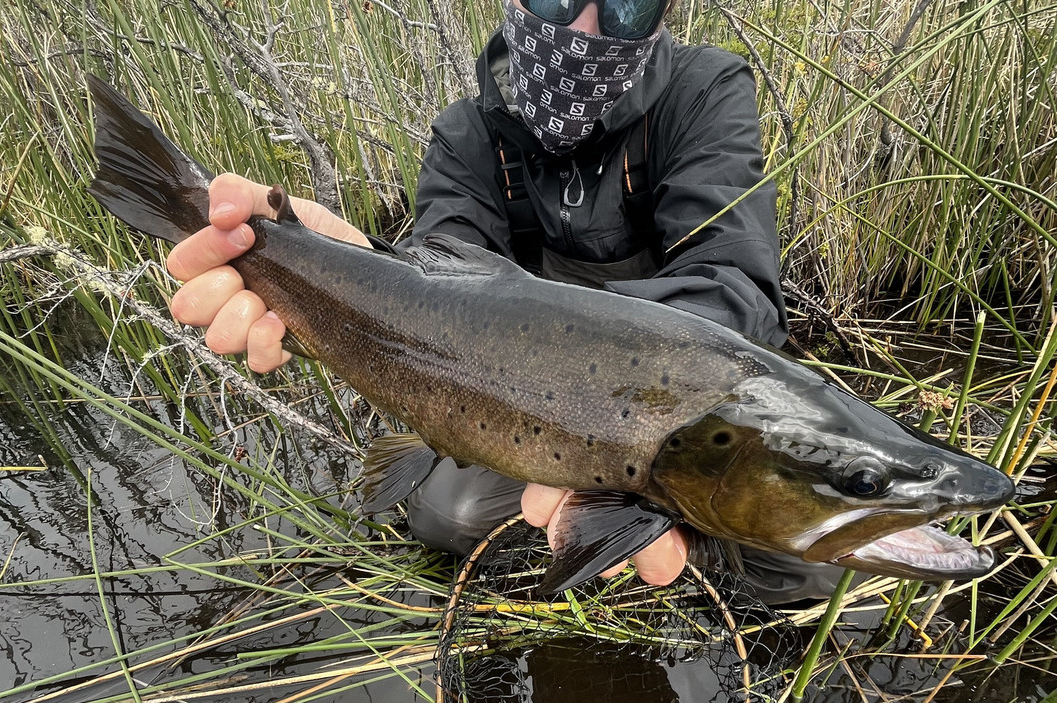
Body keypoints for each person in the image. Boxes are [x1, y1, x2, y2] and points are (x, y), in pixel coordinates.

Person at [163, 0, 844, 603]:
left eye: (626, 7)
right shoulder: (465, 135)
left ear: (665, 12)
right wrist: (338, 268)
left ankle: (669, 558)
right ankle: (597, 553)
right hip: (515, 409)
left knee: (818, 556)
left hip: (690, 426)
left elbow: (735, 284)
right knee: (445, 518)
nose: (585, 27)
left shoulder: (704, 90)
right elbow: (434, 287)